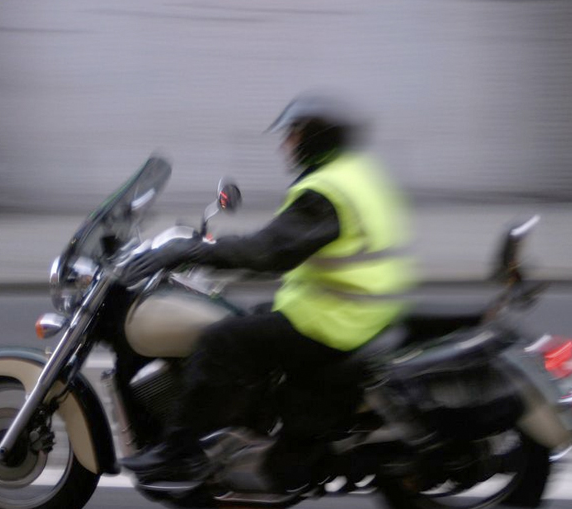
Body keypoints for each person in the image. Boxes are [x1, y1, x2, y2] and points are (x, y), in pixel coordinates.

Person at [119, 93, 415, 482]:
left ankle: (178, 452)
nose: (284, 145)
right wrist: (216, 257)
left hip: (339, 319)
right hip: (365, 307)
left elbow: (269, 251)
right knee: (247, 318)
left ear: (313, 137)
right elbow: (293, 249)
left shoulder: (326, 191)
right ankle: (251, 428)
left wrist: (188, 252)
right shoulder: (356, 173)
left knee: (220, 341)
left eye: (292, 135)